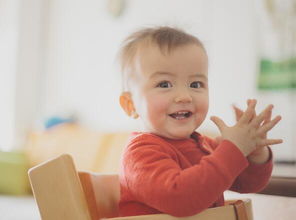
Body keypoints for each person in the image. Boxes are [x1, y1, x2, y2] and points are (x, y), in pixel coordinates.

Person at [117, 26, 282, 217]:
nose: (184, 96)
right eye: (164, 84)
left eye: (195, 84)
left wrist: (253, 152)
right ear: (130, 105)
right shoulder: (140, 154)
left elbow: (249, 184)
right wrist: (233, 150)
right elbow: (181, 198)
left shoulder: (205, 145)